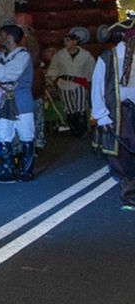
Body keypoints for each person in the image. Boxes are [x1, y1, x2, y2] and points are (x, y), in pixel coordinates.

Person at [90, 16, 135, 210]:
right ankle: (129, 196)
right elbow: (98, 87)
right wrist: (101, 116)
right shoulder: (108, 58)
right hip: (118, 112)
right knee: (121, 153)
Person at [0, 24, 36, 183]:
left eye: (1, 35)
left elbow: (6, 76)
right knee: (3, 135)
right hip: (4, 103)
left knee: (26, 135)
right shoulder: (4, 57)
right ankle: (8, 169)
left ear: (9, 37)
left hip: (21, 102)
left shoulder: (22, 56)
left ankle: (26, 170)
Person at [46, 29, 95, 137]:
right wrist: (54, 79)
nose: (66, 43)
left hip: (80, 84)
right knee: (69, 108)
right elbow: (53, 68)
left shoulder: (86, 55)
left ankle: (82, 130)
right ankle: (74, 130)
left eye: (68, 41)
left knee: (80, 107)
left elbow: (91, 69)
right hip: (64, 84)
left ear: (75, 42)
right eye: (65, 41)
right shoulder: (59, 55)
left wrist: (91, 81)